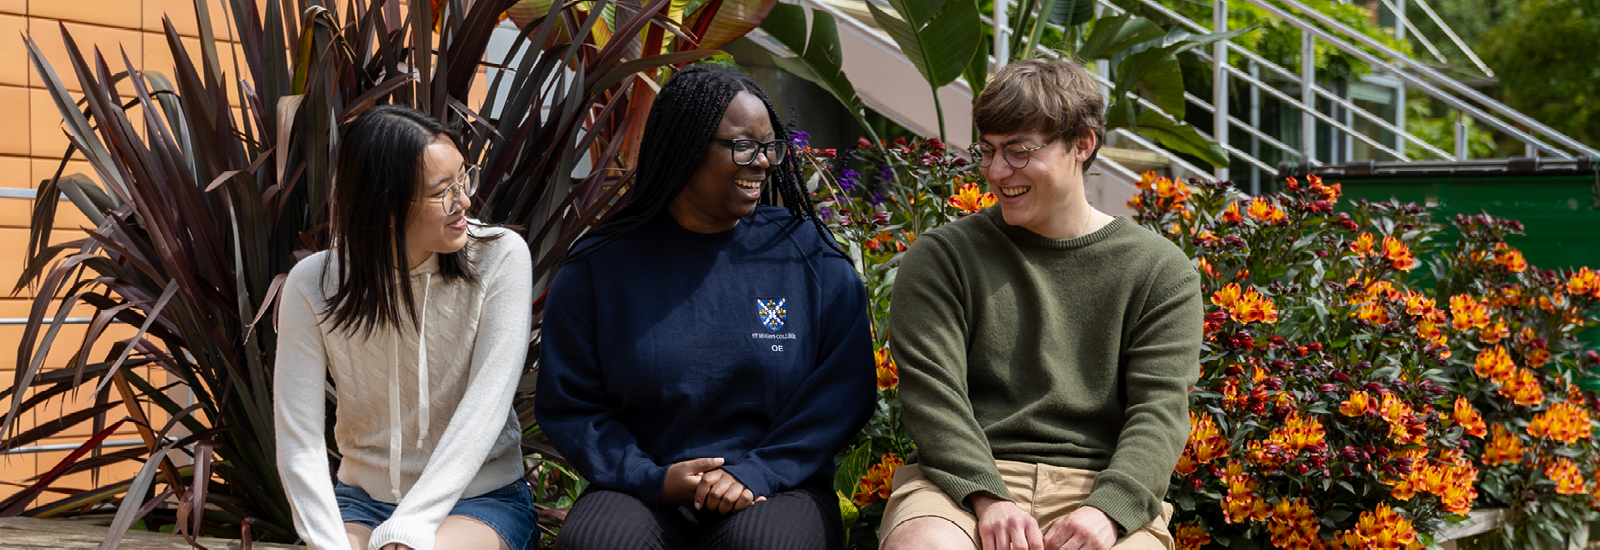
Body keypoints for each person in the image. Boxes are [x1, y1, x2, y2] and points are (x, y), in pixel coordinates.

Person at [536, 64, 875, 550]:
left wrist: (759, 471)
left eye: (769, 147)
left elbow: (845, 388)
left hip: (778, 487)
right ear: (686, 146)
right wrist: (651, 478)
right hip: (642, 490)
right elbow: (572, 404)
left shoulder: (807, 255)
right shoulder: (600, 267)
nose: (762, 162)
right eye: (743, 146)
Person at [879, 59, 1203, 550]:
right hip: (958, 490)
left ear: (1082, 144)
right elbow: (933, 398)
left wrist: (1107, 512)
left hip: (1100, 488)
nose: (995, 171)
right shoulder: (944, 257)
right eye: (987, 151)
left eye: (1018, 151)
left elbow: (1159, 412)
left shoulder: (1160, 270)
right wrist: (988, 498)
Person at [274, 105, 535, 550]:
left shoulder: (501, 257)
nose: (465, 201)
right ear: (386, 204)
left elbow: (485, 410)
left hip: (479, 500)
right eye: (443, 191)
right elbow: (298, 437)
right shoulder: (314, 284)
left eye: (463, 179)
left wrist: (410, 529)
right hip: (362, 501)